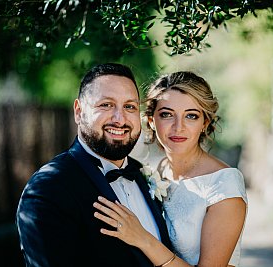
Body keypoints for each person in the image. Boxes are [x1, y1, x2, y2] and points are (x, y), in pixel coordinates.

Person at [16, 63, 171, 267]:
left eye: (130, 106)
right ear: (79, 112)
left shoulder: (143, 174)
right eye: (106, 105)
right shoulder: (48, 188)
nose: (120, 119)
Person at [93, 71, 248, 267]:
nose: (178, 127)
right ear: (150, 120)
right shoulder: (152, 173)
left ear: (204, 123)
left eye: (191, 116)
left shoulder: (223, 183)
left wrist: (142, 238)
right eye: (167, 114)